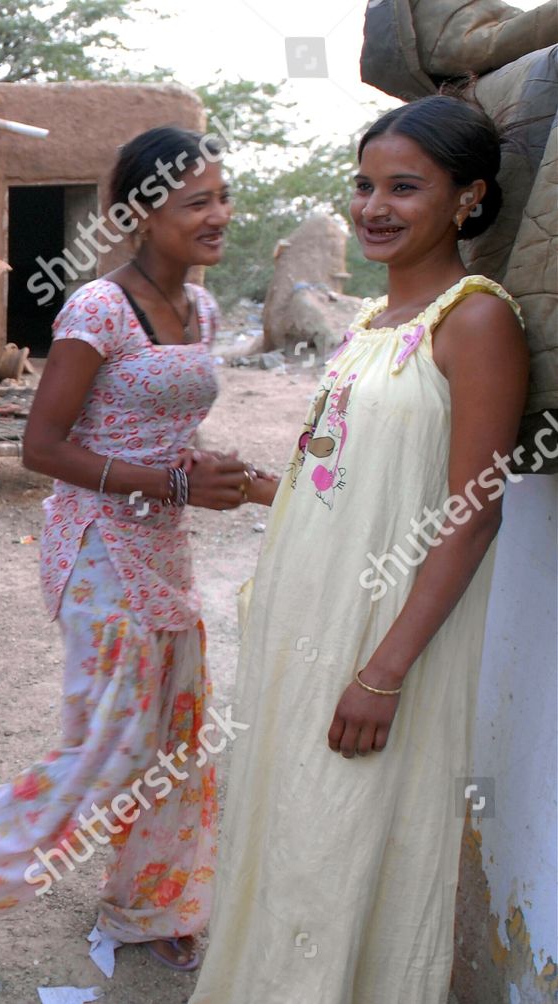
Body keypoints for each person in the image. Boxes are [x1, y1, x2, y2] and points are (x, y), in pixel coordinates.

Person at [188, 95, 527, 1003]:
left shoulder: (475, 321)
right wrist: (259, 485)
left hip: (381, 635)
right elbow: (356, 475)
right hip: (307, 614)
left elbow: (474, 511)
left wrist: (384, 672)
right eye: (365, 185)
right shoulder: (373, 323)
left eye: (405, 187)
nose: (375, 206)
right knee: (289, 827)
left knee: (342, 833)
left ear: (468, 197)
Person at [0, 126, 254, 972]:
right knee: (114, 744)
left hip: (164, 544)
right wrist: (171, 483)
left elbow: (168, 423)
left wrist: (242, 480)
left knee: (178, 734)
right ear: (140, 214)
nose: (219, 215)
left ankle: (152, 902)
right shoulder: (99, 309)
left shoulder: (203, 308)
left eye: (222, 196)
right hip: (98, 543)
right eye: (197, 201)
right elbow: (41, 447)